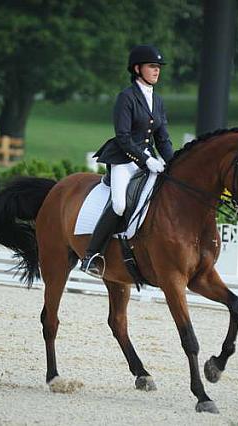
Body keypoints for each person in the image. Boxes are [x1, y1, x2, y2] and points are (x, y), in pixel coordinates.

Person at [80, 45, 175, 278]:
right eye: (152, 66)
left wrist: (174, 164)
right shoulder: (126, 97)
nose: (156, 71)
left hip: (148, 158)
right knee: (120, 204)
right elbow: (123, 137)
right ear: (137, 68)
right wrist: (145, 160)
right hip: (124, 158)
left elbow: (162, 139)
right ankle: (91, 254)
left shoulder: (158, 100)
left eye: (158, 67)